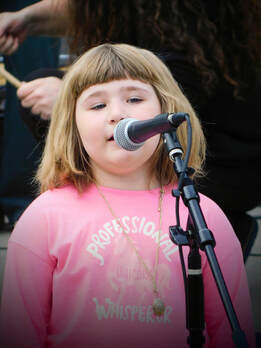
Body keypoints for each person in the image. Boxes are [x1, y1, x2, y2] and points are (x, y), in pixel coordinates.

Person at [0, 43, 256, 348]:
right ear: (72, 127)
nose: (118, 113)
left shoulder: (202, 214)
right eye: (97, 106)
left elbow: (229, 331)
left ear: (166, 114)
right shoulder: (44, 217)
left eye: (134, 98)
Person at [0, 0, 260, 258]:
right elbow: (88, 8)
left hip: (224, 165)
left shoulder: (182, 35)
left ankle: (207, 224)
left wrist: (67, 101)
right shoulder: (153, 16)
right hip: (234, 155)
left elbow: (172, 104)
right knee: (43, 87)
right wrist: (25, 19)